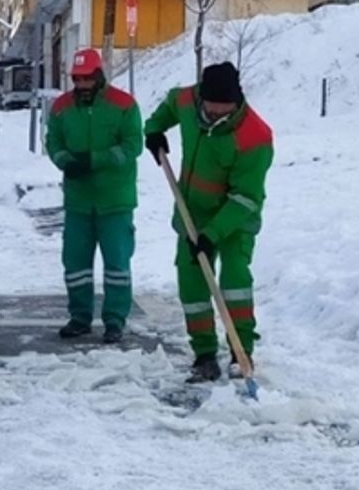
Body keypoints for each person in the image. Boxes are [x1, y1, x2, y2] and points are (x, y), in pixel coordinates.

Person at [143, 62, 274, 383]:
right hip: (193, 212)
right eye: (211, 108)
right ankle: (203, 354)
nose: (216, 115)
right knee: (192, 284)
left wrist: (213, 233)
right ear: (202, 97)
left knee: (234, 283)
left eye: (224, 110)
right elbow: (168, 107)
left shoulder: (255, 136)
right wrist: (155, 130)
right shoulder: (188, 101)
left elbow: (246, 197)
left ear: (237, 99)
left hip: (235, 217)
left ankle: (240, 352)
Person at [45, 48, 142, 344]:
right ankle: (79, 317)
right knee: (75, 264)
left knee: (117, 264)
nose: (83, 85)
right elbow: (53, 141)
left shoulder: (124, 105)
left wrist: (95, 159)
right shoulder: (61, 108)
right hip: (78, 202)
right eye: (78, 79)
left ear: (99, 76)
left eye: (88, 79)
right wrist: (65, 161)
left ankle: (114, 320)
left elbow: (132, 146)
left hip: (115, 201)